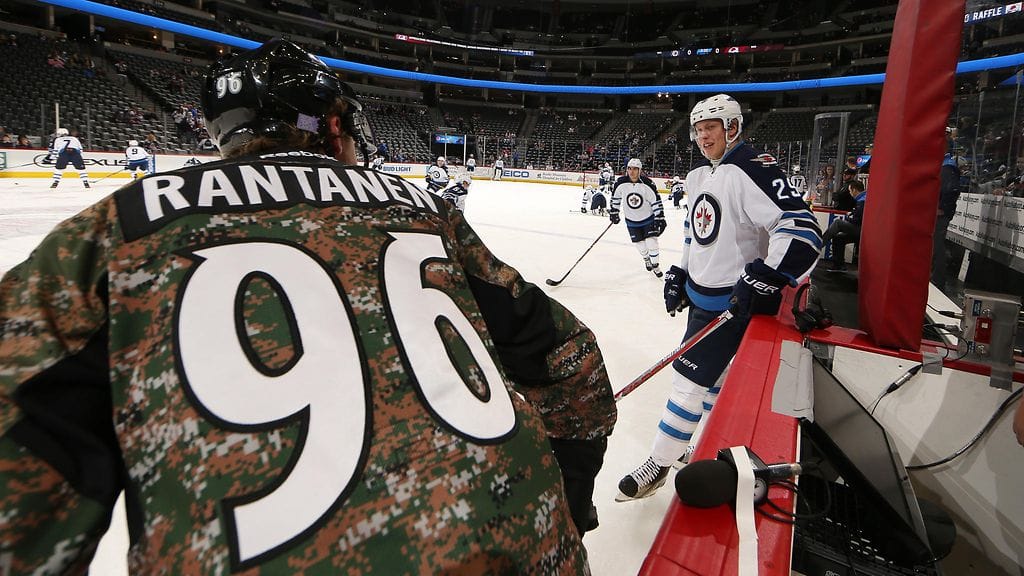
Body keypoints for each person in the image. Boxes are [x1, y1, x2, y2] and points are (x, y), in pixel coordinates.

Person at [0, 39, 616, 574]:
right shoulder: (419, 209)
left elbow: (20, 478)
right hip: (525, 551)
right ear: (333, 127)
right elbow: (573, 359)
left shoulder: (116, 230)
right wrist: (568, 500)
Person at [617, 94, 821, 501]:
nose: (702, 136)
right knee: (712, 382)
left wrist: (766, 274)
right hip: (702, 299)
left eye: (710, 127)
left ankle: (658, 463)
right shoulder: (701, 177)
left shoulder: (751, 168)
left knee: (687, 380)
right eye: (697, 129)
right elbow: (699, 234)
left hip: (735, 305)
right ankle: (706, 445)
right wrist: (680, 270)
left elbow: (801, 228)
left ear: (732, 127)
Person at [608, 158, 666, 277]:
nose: (632, 171)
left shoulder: (648, 183)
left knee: (652, 242)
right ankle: (646, 259)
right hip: (631, 221)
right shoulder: (621, 182)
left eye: (635, 169)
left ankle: (655, 265)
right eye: (629, 168)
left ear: (640, 170)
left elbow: (655, 201)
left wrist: (660, 217)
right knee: (640, 245)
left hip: (648, 219)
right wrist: (614, 211)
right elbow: (616, 198)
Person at [821, 179, 866, 272]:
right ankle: (839, 265)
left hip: (862, 230)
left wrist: (849, 217)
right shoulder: (863, 199)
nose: (850, 193)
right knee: (838, 238)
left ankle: (819, 244)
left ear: (854, 190)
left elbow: (856, 220)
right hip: (862, 229)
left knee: (838, 223)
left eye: (850, 191)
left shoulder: (862, 201)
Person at [931, 153, 961, 287]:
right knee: (935, 244)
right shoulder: (943, 165)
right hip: (938, 211)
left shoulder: (947, 165)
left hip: (941, 213)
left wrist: (942, 208)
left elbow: (951, 189)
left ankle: (938, 279)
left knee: (937, 245)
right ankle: (935, 275)